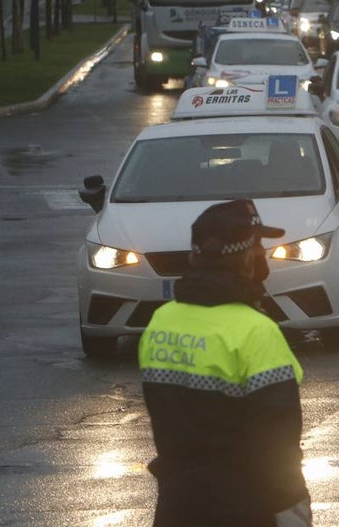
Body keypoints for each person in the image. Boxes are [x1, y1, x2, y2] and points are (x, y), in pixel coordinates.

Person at [139, 199, 311, 527]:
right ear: (246, 259)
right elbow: (278, 451)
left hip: (177, 507)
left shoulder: (161, 323)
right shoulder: (256, 332)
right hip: (244, 510)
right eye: (258, 246)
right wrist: (294, 514)